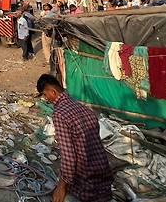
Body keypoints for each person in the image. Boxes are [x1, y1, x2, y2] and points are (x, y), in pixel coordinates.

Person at [36, 74, 113, 202]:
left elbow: (69, 158)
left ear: (53, 91)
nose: (46, 99)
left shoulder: (60, 114)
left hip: (87, 180)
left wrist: (62, 186)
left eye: (45, 95)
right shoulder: (82, 107)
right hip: (104, 173)